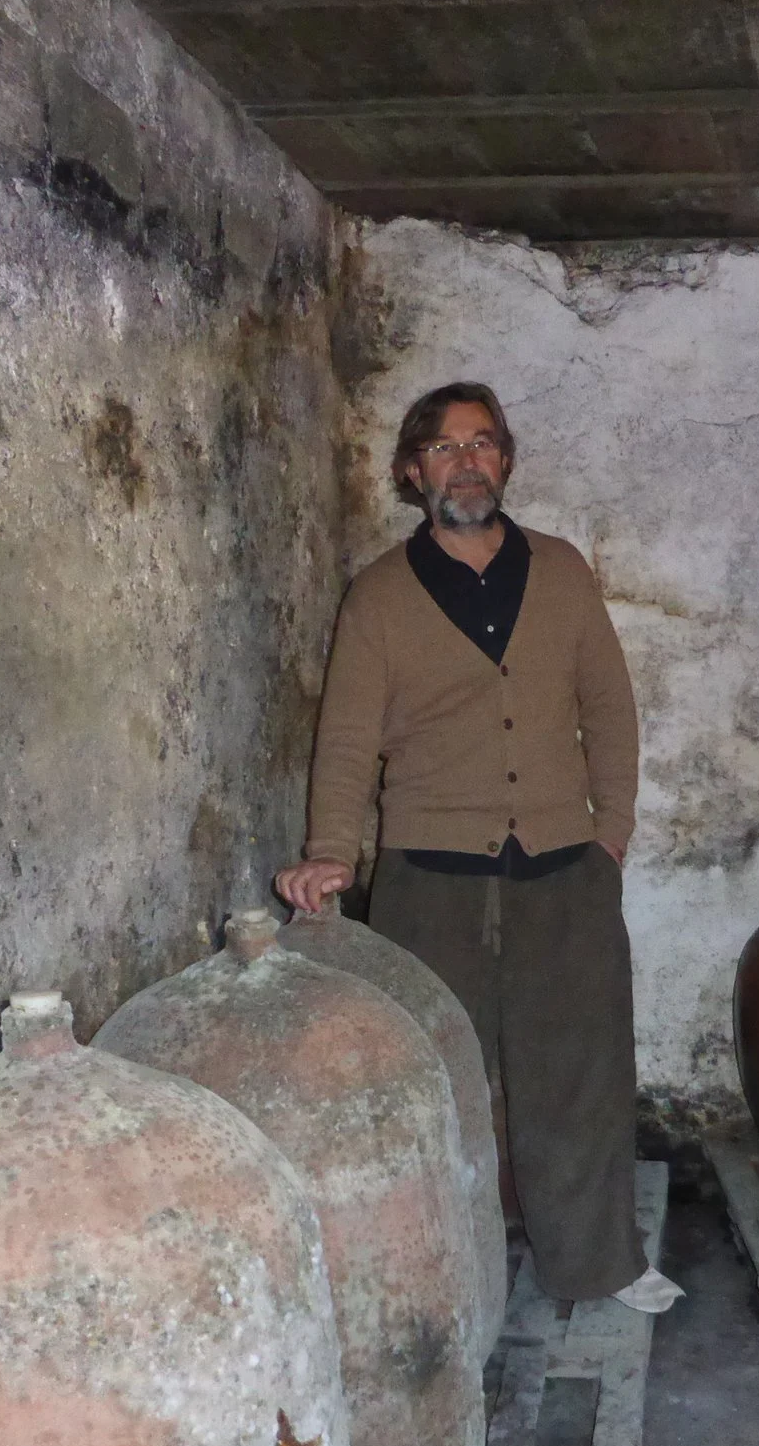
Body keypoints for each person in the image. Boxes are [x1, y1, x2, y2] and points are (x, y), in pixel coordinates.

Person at [274, 382, 681, 1313]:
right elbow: (346, 739)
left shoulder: (564, 572)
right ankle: (442, 1276)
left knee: (578, 1069)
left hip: (562, 865)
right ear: (415, 472)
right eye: (445, 448)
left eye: (483, 443)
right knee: (437, 1078)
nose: (467, 462)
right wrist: (332, 850)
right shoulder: (377, 597)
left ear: (504, 460)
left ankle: (600, 1262)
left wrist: (608, 833)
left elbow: (609, 710)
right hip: (431, 876)